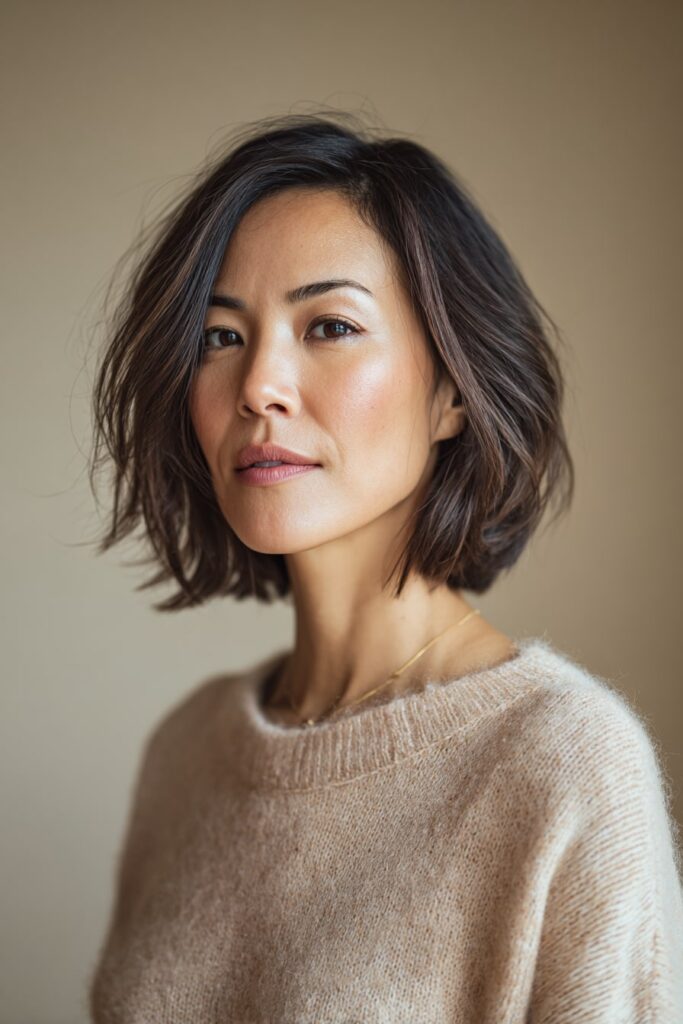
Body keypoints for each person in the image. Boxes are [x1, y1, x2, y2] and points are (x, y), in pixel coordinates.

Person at [86, 112, 683, 1022]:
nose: (258, 386)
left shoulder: (564, 765)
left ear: (451, 390)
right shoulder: (189, 751)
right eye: (219, 337)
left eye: (328, 325)